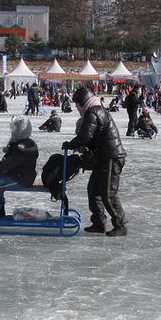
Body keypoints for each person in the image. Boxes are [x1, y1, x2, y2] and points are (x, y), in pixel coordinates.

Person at [62, 86, 127, 236]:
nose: (77, 108)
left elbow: (86, 136)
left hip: (111, 157)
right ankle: (98, 222)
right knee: (94, 190)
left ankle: (120, 224)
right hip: (103, 157)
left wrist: (70, 144)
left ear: (82, 102)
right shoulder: (95, 110)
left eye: (77, 105)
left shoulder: (93, 111)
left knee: (108, 193)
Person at [0, 116, 38, 221]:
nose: (12, 131)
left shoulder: (22, 147)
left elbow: (6, 165)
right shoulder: (21, 143)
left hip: (22, 178)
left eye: (14, 129)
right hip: (19, 175)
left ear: (19, 131)